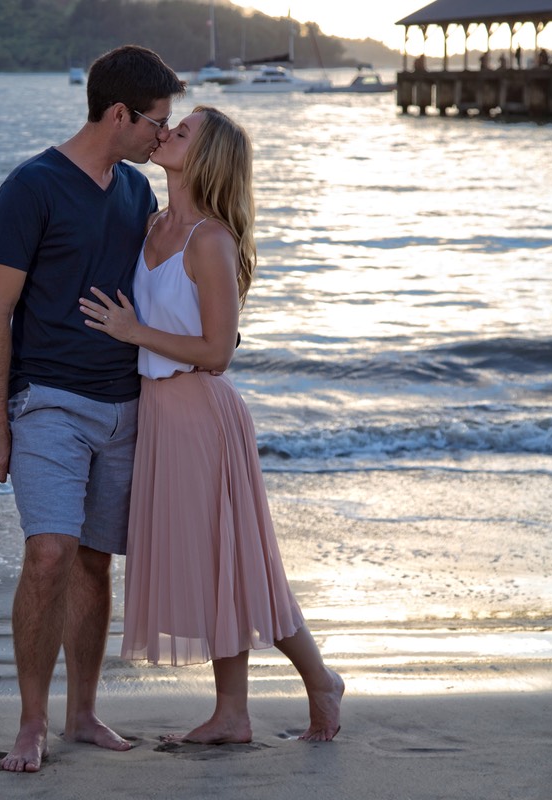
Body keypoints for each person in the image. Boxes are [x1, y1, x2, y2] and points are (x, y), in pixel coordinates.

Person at [79, 106, 344, 744]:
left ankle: (319, 680)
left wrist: (133, 332)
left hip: (202, 413)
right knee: (215, 564)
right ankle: (233, 714)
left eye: (182, 132)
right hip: (157, 415)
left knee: (235, 562)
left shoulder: (210, 240)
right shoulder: (151, 224)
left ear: (204, 158)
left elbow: (219, 351)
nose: (165, 133)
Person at [0, 45, 186, 773]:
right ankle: (32, 722)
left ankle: (83, 713)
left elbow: (166, 282)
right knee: (49, 554)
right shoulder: (29, 189)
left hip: (125, 404)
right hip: (48, 403)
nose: (164, 135)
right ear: (119, 114)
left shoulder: (135, 192)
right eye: (156, 122)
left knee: (95, 562)